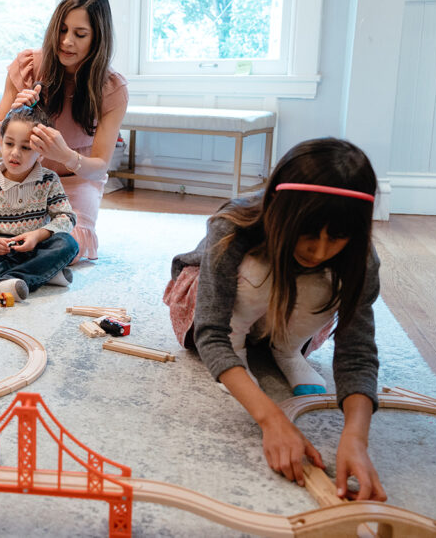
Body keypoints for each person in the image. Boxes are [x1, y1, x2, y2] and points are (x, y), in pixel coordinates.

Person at [163, 137, 386, 502]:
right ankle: (243, 354)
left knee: (325, 282)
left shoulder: (360, 258)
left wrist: (356, 438)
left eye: (338, 238)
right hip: (218, 310)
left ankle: (287, 352)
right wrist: (271, 419)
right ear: (278, 211)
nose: (319, 250)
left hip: (282, 320)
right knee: (258, 272)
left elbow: (357, 350)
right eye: (308, 235)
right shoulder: (233, 224)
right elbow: (211, 331)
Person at [0, 0, 129, 263]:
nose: (66, 42)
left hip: (76, 182)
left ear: (97, 39)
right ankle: (34, 265)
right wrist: (11, 117)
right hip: (24, 178)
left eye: (80, 34)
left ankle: (33, 263)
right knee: (6, 242)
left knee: (69, 244)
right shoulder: (29, 66)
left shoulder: (111, 88)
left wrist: (65, 156)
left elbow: (100, 165)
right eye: (62, 30)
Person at [0, 105, 79, 301]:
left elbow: (67, 217)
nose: (15, 153)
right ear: (1, 143)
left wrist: (38, 235)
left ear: (41, 153)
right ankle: (46, 274)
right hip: (2, 257)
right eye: (9, 144)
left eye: (26, 147)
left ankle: (8, 283)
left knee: (68, 244)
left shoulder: (49, 180)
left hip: (38, 250)